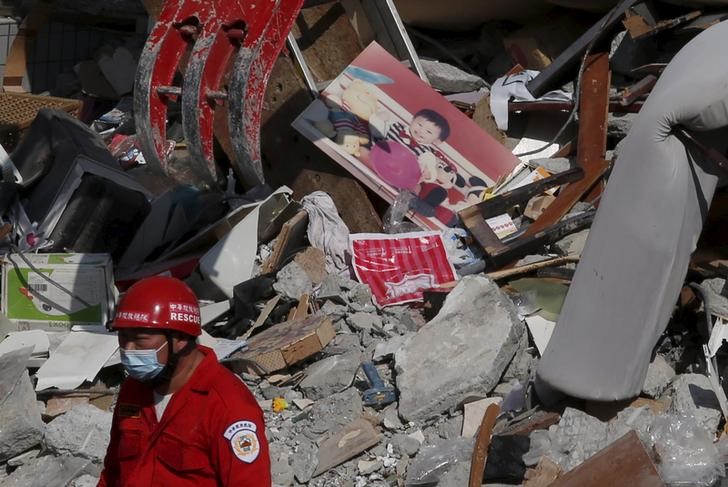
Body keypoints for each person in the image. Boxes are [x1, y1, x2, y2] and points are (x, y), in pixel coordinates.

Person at [98, 276, 271, 486]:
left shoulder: (228, 407)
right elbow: (112, 472)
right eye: (123, 338)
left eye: (139, 340)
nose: (128, 350)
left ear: (179, 338)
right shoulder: (134, 390)